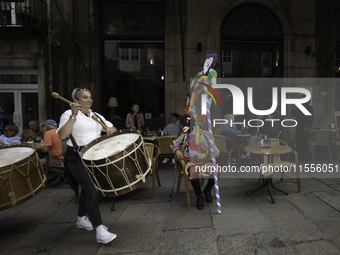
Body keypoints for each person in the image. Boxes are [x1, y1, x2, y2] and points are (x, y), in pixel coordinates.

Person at [57, 87, 118, 244]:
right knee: (92, 189)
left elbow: (111, 127)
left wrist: (111, 129)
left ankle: (81, 218)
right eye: (85, 97)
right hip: (76, 157)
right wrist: (73, 114)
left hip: (94, 157)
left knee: (87, 187)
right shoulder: (68, 114)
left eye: (90, 97)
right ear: (76, 101)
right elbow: (63, 135)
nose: (89, 99)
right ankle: (100, 229)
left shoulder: (95, 115)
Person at [34, 119, 66, 186]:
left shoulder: (48, 133)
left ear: (47, 127)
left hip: (56, 158)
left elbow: (45, 150)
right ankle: (58, 177)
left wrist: (34, 146)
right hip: (64, 156)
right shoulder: (60, 131)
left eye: (44, 126)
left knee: (36, 163)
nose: (43, 128)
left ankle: (62, 172)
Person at [291, 94, 314, 160]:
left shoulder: (309, 108)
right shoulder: (299, 107)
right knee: (298, 141)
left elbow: (311, 118)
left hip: (305, 127)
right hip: (299, 126)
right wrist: (293, 108)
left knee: (304, 141)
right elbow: (294, 114)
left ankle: (306, 155)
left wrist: (307, 126)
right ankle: (298, 155)